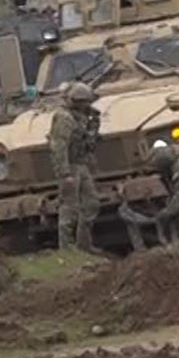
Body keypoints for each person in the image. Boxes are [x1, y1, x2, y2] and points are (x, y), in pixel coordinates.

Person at [48, 83, 101, 252]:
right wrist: (64, 173)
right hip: (70, 166)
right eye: (85, 102)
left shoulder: (81, 117)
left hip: (80, 164)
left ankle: (84, 243)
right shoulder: (65, 118)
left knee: (91, 203)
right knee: (69, 207)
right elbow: (59, 146)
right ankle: (66, 247)